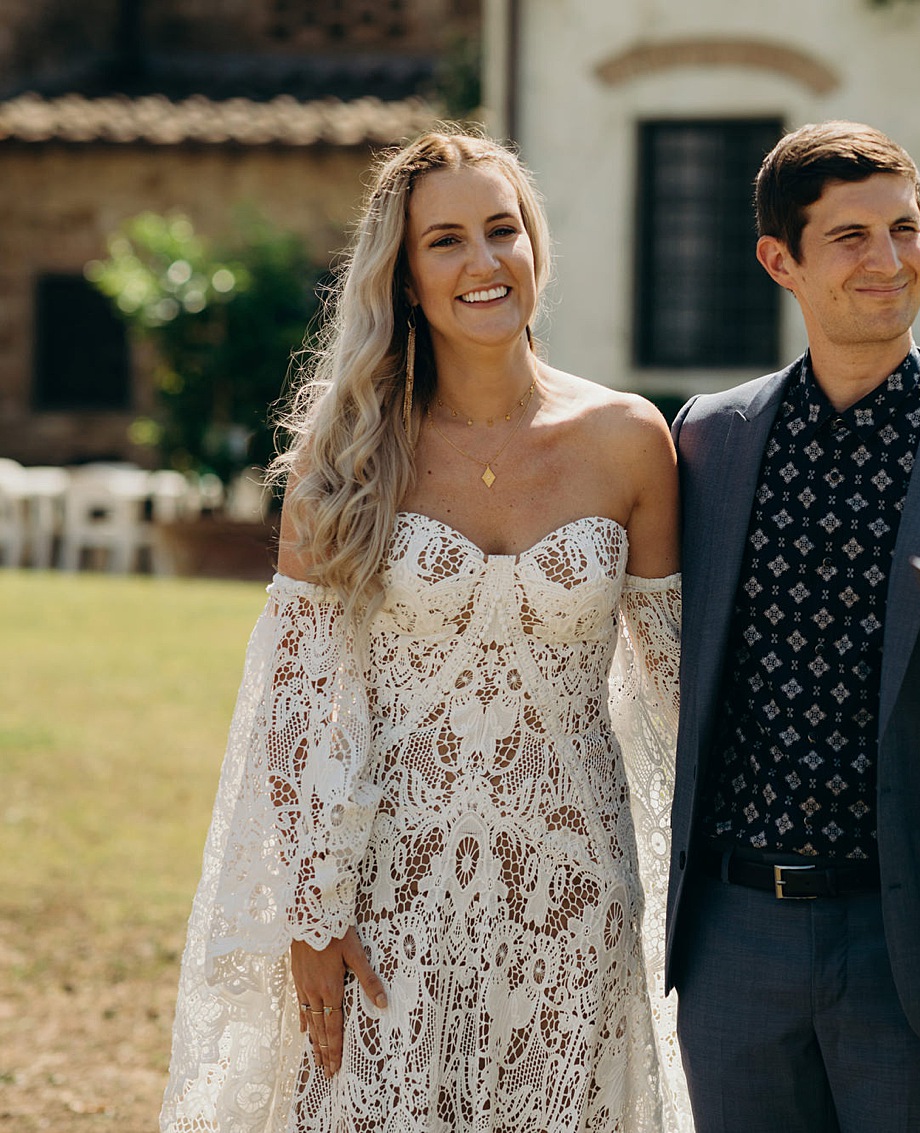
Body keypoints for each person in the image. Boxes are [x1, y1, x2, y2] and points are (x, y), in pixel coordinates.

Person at [159, 129, 691, 1132]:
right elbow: (300, 694)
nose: (482, 262)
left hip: (572, 893)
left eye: (502, 230)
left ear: (535, 245)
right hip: (385, 895)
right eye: (445, 241)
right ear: (404, 279)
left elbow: (675, 688)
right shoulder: (349, 451)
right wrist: (311, 915)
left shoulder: (628, 440)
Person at [664, 121, 920, 1133]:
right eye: (849, 236)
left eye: (904, 227)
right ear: (780, 260)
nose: (887, 260)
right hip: (731, 940)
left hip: (917, 955)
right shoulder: (707, 443)